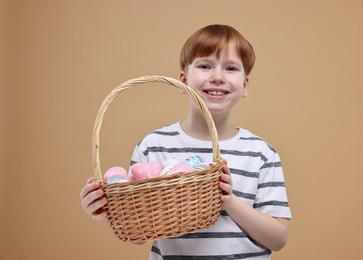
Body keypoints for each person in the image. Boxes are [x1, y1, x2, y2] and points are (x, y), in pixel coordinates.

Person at [80, 24, 292, 259]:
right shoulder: (154, 146)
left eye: (231, 68)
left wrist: (228, 200)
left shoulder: (260, 153)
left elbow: (278, 238)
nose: (218, 77)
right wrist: (107, 211)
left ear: (245, 86)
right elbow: (139, 234)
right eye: (204, 66)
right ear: (183, 81)